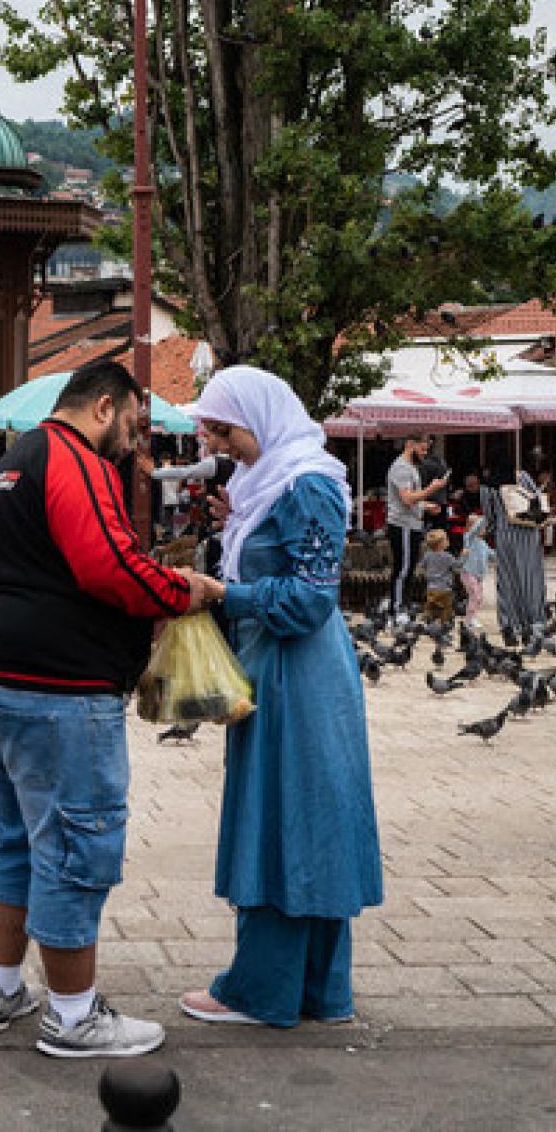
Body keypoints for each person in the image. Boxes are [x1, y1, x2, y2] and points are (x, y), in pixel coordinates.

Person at [0, 361, 206, 1059]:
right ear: (104, 407)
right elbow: (107, 566)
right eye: (134, 422)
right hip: (52, 684)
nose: (135, 439)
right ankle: (73, 1015)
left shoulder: (14, 462)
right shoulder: (75, 459)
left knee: (13, 837)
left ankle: (0, 988)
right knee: (74, 845)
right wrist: (183, 591)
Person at [179, 365, 382, 1029]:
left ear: (260, 419)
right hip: (284, 669)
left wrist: (223, 593)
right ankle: (316, 989)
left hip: (296, 674)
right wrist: (239, 524)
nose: (217, 444)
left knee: (282, 821)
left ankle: (261, 990)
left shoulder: (305, 483)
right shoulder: (269, 484)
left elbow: (311, 599)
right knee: (309, 819)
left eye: (225, 430)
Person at [480, 456, 550, 644]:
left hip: (506, 537)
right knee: (531, 580)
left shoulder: (487, 486)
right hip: (529, 534)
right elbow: (536, 499)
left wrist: (492, 531)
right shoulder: (523, 476)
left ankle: (509, 626)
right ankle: (534, 625)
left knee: (508, 581)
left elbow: (490, 517)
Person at [386, 435, 447, 615]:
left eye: (426, 450)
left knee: (410, 567)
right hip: (402, 524)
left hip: (411, 523)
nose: (424, 454)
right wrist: (432, 489)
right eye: (422, 449)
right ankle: (397, 609)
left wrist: (426, 506)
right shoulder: (402, 468)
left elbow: (409, 500)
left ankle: (403, 604)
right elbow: (407, 499)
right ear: (410, 445)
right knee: (403, 568)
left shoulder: (411, 467)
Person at [460, 516, 494, 631]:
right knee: (474, 595)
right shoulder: (469, 538)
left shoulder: (483, 543)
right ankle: (469, 620)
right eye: (482, 527)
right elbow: (474, 530)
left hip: (479, 575)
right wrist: (486, 517)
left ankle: (472, 617)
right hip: (468, 572)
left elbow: (492, 555)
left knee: (478, 598)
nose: (484, 529)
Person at [419, 529, 457, 624]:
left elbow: (422, 567)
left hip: (431, 588)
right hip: (445, 589)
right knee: (446, 608)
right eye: (446, 539)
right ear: (440, 544)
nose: (448, 541)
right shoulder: (448, 556)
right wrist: (464, 557)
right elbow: (456, 566)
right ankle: (444, 624)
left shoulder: (427, 555)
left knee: (431, 606)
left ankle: (428, 620)